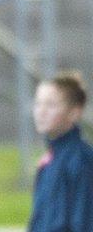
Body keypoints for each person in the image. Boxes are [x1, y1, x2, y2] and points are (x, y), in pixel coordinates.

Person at [29, 71, 93, 231]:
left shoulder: (81, 160)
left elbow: (84, 222)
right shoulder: (51, 158)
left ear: (74, 112)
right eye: (38, 103)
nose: (41, 111)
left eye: (51, 105)